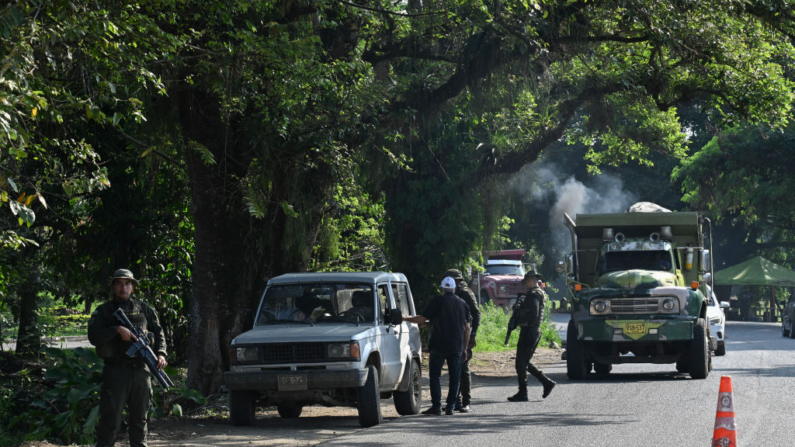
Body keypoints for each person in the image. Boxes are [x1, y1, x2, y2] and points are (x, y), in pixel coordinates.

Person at [88, 269, 167, 447]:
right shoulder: (104, 311)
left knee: (140, 419)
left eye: (127, 283)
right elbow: (94, 336)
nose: (123, 287)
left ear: (132, 287)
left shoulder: (144, 309)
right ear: (113, 286)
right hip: (116, 371)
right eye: (119, 283)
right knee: (111, 420)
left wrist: (161, 353)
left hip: (141, 370)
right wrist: (115, 330)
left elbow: (159, 332)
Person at [403, 277, 471, 416]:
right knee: (455, 377)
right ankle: (451, 407)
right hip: (456, 346)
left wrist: (405, 318)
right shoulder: (462, 304)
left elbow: (422, 319)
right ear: (454, 289)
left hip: (439, 345)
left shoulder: (437, 301)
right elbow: (467, 328)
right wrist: (465, 348)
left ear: (442, 289)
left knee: (435, 376)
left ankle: (436, 406)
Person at [508, 269, 556, 402]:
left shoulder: (534, 295)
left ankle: (524, 392)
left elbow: (533, 313)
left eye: (525, 282)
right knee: (523, 362)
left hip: (530, 330)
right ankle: (545, 383)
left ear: (530, 280)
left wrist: (520, 311)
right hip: (531, 330)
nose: (524, 285)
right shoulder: (537, 294)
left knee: (521, 363)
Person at [443, 269, 480, 413]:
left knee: (463, 368)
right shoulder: (453, 292)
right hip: (454, 334)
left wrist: (473, 335)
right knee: (454, 368)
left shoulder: (465, 293)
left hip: (465, 334)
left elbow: (476, 314)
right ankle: (455, 401)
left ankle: (466, 401)